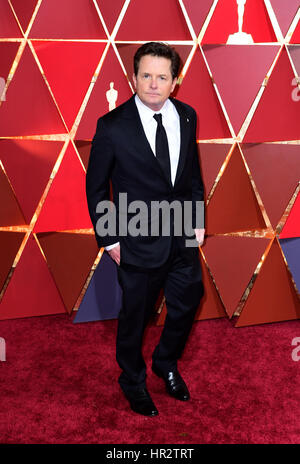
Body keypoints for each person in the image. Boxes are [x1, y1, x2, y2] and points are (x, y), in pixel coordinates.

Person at [86, 42, 205, 417]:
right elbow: (96, 186)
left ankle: (166, 363)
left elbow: (192, 174)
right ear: (133, 78)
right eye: (146, 76)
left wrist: (197, 220)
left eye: (162, 77)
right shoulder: (111, 126)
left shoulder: (187, 115)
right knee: (135, 317)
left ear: (175, 82)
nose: (153, 84)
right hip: (135, 239)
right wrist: (110, 239)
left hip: (182, 234)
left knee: (188, 301)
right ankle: (132, 380)